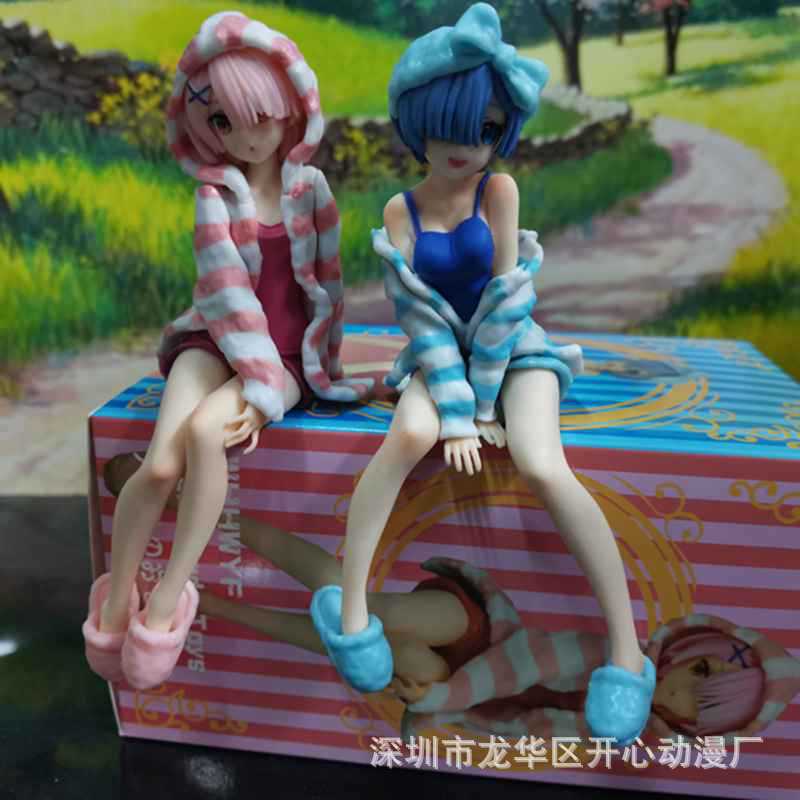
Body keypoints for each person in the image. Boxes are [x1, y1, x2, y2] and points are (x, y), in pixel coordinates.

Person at [308, 3, 655, 745]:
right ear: (416, 124)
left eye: (488, 131)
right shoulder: (400, 213)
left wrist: (487, 404)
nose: (468, 148)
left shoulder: (499, 192)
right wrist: (459, 413)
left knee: (541, 462)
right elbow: (422, 320)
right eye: (449, 129)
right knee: (407, 436)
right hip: (440, 358)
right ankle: (352, 614)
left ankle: (627, 655)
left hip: (512, 351)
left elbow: (505, 301)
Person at [81, 10, 371, 691]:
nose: (244, 137)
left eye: (258, 116)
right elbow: (226, 294)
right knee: (160, 463)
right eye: (222, 122)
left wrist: (312, 375)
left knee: (209, 433)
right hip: (216, 340)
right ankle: (117, 596)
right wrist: (255, 376)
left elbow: (329, 291)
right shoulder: (213, 194)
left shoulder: (312, 191)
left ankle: (167, 600)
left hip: (286, 356)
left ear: (291, 108)